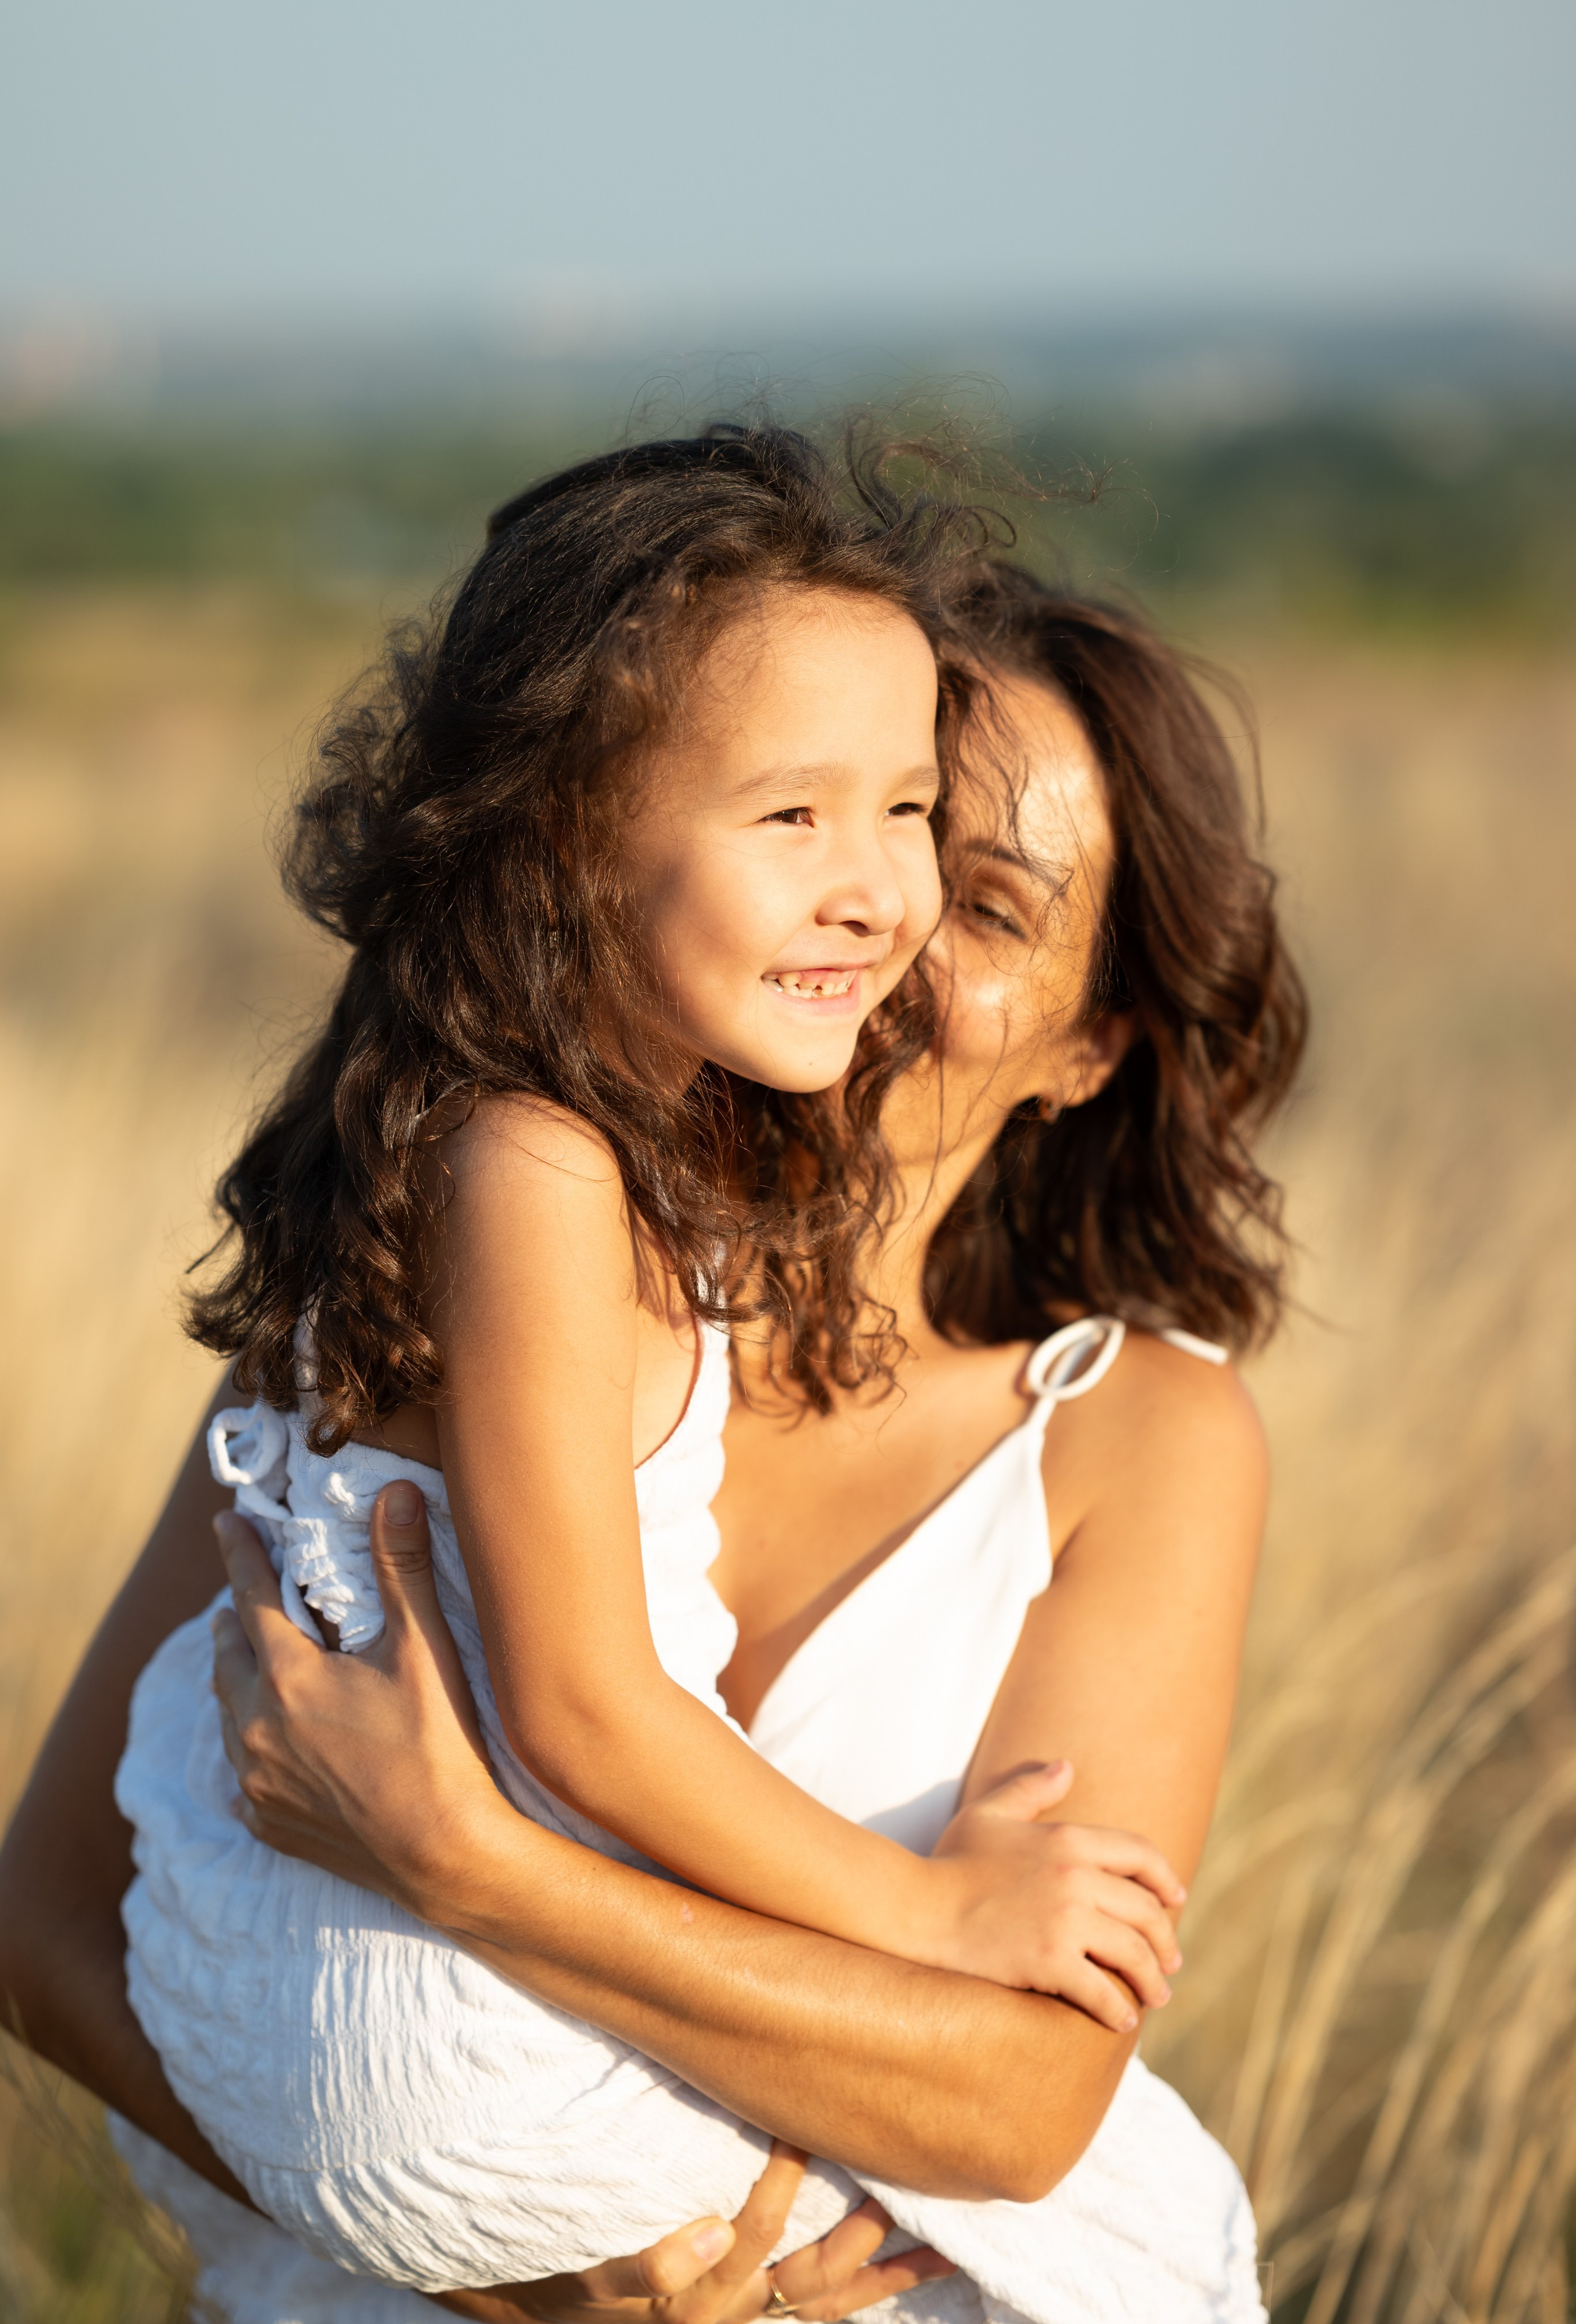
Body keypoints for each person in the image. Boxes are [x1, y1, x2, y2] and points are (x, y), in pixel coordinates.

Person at [0, 567, 1305, 2323]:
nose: (888, 920)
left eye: (978, 894)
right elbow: (46, 1922)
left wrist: (471, 1860)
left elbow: (1022, 2096)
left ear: (1091, 1047)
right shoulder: (421, 1292)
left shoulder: (1134, 1434)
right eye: (810, 814)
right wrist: (507, 2286)